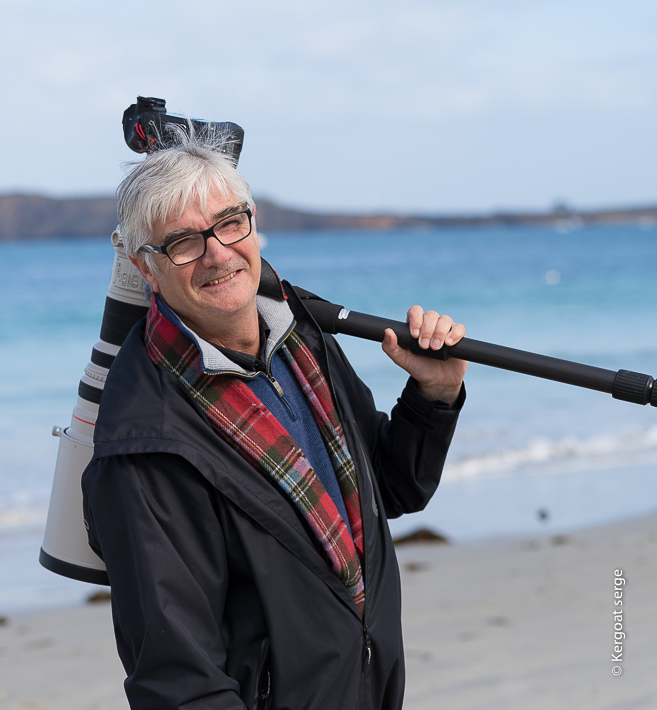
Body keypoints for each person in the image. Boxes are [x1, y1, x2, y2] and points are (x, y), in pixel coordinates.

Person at [82, 134, 467, 710]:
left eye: (230, 222)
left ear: (253, 223)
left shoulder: (298, 338)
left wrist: (434, 395)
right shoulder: (146, 442)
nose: (217, 253)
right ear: (146, 268)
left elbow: (387, 488)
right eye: (184, 242)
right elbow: (178, 682)